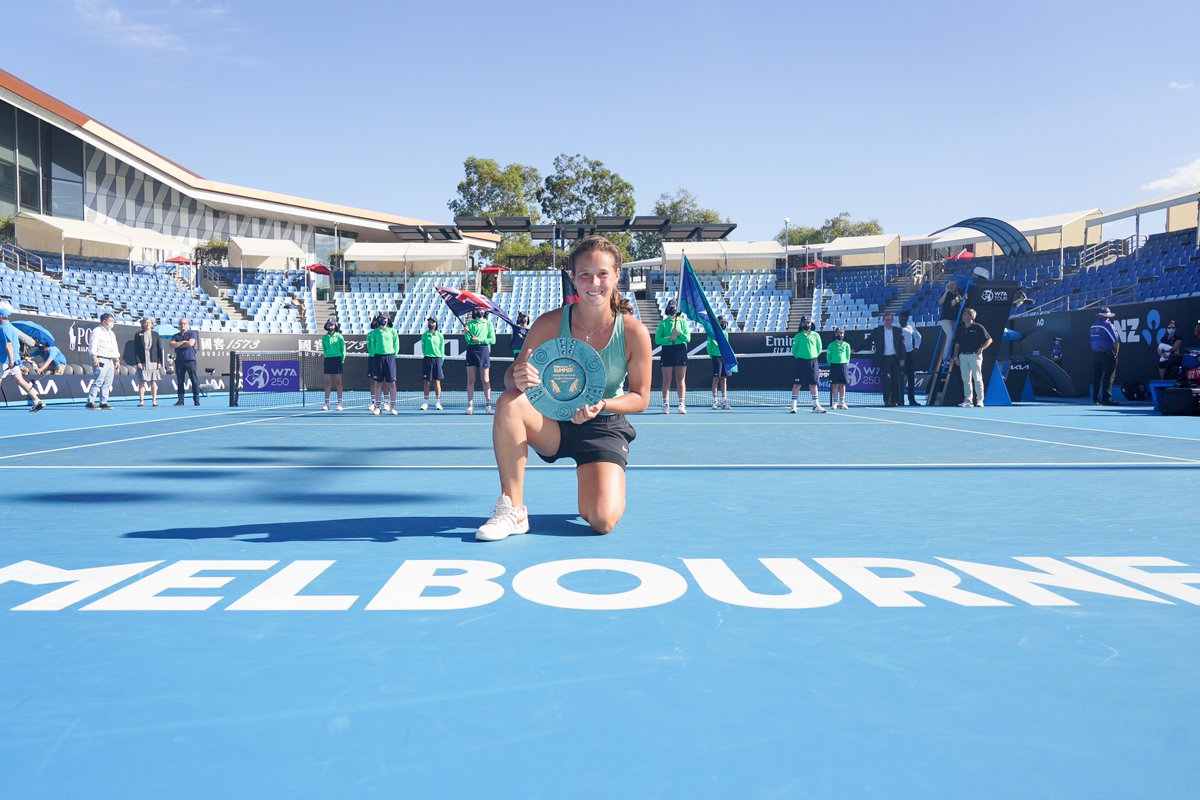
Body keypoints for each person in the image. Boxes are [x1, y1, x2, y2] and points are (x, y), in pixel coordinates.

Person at [477, 234, 651, 541]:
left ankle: (604, 479)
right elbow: (510, 379)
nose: (593, 282)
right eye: (584, 274)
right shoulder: (547, 324)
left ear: (616, 276)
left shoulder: (634, 332)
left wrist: (603, 405)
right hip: (552, 422)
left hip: (602, 426)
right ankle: (513, 509)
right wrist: (517, 376)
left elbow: (640, 398)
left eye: (602, 274)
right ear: (573, 278)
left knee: (601, 520)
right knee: (509, 401)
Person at [0, 304, 45, 412]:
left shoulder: (3, 328)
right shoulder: (12, 328)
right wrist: (16, 361)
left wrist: (11, 360)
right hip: (14, 360)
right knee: (20, 381)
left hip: (6, 360)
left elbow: (9, 345)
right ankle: (37, 400)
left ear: (0, 317)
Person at [951, 307, 992, 408]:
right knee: (966, 379)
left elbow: (989, 340)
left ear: (971, 316)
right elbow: (957, 344)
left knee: (977, 378)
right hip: (963, 356)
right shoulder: (960, 328)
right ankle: (968, 400)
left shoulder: (978, 327)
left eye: (964, 314)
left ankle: (980, 400)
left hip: (975, 355)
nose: (962, 316)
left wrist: (981, 349)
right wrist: (955, 356)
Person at [655, 299, 690, 414]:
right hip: (667, 351)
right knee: (666, 380)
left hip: (680, 351)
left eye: (674, 308)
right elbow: (657, 339)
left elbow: (688, 338)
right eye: (670, 308)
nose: (672, 310)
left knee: (681, 380)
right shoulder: (663, 323)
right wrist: (668, 339)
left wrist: (678, 334)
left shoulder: (682, 322)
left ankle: (681, 404)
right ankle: (665, 404)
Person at [789, 316, 826, 414]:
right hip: (801, 362)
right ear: (801, 324)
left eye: (808, 323)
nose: (807, 324)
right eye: (805, 323)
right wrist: (801, 356)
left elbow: (819, 348)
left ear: (811, 323)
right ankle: (793, 406)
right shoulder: (798, 336)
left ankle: (816, 406)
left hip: (813, 362)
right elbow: (794, 350)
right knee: (797, 384)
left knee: (813, 384)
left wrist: (812, 356)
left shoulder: (816, 335)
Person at [84, 312, 120, 409]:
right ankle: (90, 401)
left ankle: (103, 402)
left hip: (110, 360)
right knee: (98, 380)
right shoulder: (97, 331)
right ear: (104, 321)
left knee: (108, 382)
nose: (113, 323)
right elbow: (93, 344)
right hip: (101, 358)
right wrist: (94, 357)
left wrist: (117, 359)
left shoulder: (111, 333)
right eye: (111, 321)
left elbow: (114, 347)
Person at [463, 308, 495, 415]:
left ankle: (488, 404)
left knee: (485, 380)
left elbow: (492, 340)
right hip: (472, 350)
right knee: (470, 380)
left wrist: (480, 340)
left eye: (481, 310)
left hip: (483, 350)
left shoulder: (488, 323)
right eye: (477, 310)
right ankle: (470, 405)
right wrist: (466, 333)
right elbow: (467, 340)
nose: (479, 311)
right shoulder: (470, 324)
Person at [365, 312, 398, 416]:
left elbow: (396, 345)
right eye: (381, 318)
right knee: (378, 383)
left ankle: (392, 406)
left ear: (388, 319)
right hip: (378, 358)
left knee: (392, 383)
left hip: (390, 357)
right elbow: (373, 345)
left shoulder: (393, 331)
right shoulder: (375, 332)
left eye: (385, 318)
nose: (383, 320)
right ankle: (378, 407)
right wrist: (376, 355)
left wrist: (392, 355)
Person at [873, 312, 906, 407]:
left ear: (892, 321)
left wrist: (902, 358)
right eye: (886, 320)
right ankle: (886, 400)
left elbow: (902, 346)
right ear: (883, 321)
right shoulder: (877, 330)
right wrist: (855, 349)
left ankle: (894, 400)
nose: (888, 321)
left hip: (895, 359)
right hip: (885, 360)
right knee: (887, 381)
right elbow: (868, 341)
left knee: (896, 380)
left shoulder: (897, 330)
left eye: (889, 320)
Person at [1089, 306, 1120, 405]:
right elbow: (1116, 341)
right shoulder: (1108, 325)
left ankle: (1095, 399)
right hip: (1107, 353)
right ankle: (1106, 399)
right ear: (1107, 316)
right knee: (1108, 376)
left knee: (1097, 377)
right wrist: (1116, 352)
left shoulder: (1093, 326)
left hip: (1096, 354)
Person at [133, 317, 164, 407]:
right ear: (142, 324)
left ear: (152, 324)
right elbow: (136, 350)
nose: (147, 324)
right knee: (142, 381)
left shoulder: (156, 334)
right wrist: (138, 362)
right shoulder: (138, 334)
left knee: (153, 381)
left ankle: (154, 400)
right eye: (145, 323)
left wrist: (159, 362)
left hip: (153, 361)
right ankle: (141, 400)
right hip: (143, 361)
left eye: (149, 323)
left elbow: (159, 349)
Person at [169, 317, 200, 406]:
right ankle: (181, 401)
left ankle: (196, 400)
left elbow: (190, 343)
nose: (183, 325)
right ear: (179, 325)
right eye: (181, 323)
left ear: (187, 324)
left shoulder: (192, 333)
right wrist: (183, 342)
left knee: (194, 381)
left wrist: (179, 344)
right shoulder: (176, 335)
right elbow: (171, 345)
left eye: (185, 323)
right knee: (180, 381)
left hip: (190, 360)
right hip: (179, 361)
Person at [707, 315, 733, 410]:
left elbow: (727, 346)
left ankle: (724, 401)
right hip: (716, 358)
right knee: (716, 379)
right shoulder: (712, 334)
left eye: (724, 323)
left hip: (724, 358)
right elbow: (709, 347)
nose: (723, 324)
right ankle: (715, 401)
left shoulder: (726, 333)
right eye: (721, 323)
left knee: (724, 379)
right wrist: (713, 356)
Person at [937, 279, 963, 368]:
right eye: (951, 285)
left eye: (954, 285)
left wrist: (959, 299)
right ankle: (945, 357)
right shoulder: (947, 294)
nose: (953, 287)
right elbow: (941, 302)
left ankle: (951, 356)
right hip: (945, 319)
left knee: (953, 338)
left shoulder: (957, 294)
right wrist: (946, 291)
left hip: (954, 319)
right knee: (950, 336)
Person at [420, 316, 445, 411]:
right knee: (427, 382)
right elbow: (423, 348)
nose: (431, 324)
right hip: (427, 359)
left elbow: (442, 349)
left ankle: (438, 402)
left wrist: (440, 361)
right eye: (429, 322)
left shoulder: (440, 336)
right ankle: (425, 403)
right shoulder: (424, 335)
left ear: (436, 324)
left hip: (437, 359)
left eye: (433, 322)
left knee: (437, 381)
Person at [321, 318, 345, 412]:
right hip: (328, 360)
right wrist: (327, 356)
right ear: (327, 325)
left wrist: (341, 359)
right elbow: (324, 348)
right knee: (327, 383)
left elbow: (343, 349)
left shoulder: (339, 336)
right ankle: (326, 403)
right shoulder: (324, 338)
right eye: (329, 324)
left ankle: (339, 403)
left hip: (337, 359)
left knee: (338, 382)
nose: (330, 326)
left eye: (332, 325)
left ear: (335, 326)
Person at [899, 310, 922, 405]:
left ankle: (912, 400)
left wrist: (916, 347)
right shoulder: (895, 328)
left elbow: (918, 336)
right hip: (899, 355)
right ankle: (899, 400)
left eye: (905, 319)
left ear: (907, 319)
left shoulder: (910, 327)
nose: (903, 320)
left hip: (909, 354)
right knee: (899, 377)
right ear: (899, 318)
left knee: (911, 378)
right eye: (902, 319)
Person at [826, 327, 852, 410]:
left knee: (842, 385)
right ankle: (835, 403)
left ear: (843, 334)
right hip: (834, 366)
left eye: (841, 333)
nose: (839, 335)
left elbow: (848, 356)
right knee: (835, 385)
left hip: (843, 366)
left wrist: (845, 363)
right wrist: (832, 363)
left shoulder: (847, 345)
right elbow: (828, 357)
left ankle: (842, 402)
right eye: (838, 333)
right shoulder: (831, 345)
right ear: (835, 334)